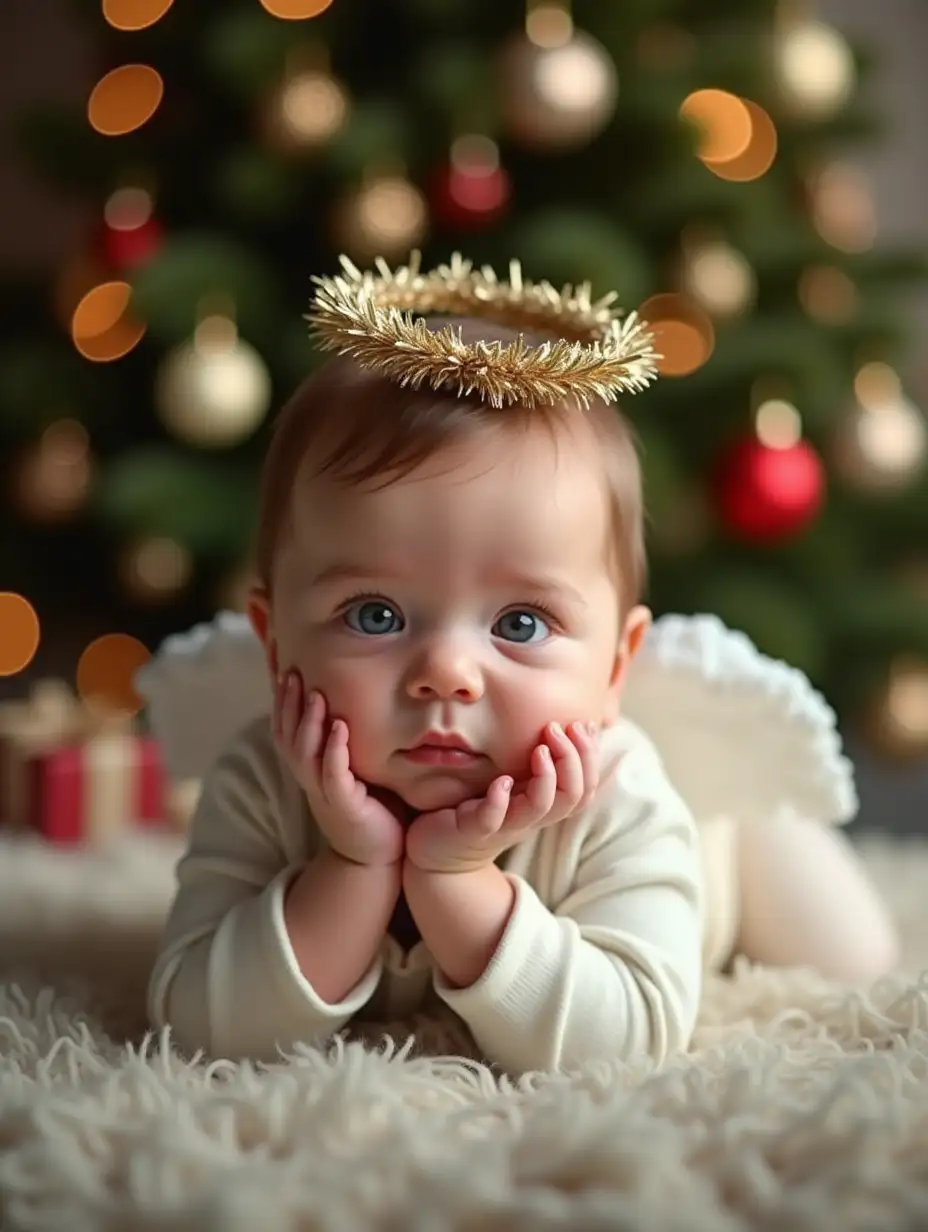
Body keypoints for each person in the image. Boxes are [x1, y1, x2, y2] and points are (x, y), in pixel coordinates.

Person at [148, 253, 898, 1072]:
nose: (447, 673)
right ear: (273, 641)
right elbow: (196, 1028)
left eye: (522, 622)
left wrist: (458, 881)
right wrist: (354, 864)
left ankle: (761, 833)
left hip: (724, 849)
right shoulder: (263, 777)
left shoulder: (620, 796)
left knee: (854, 961)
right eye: (375, 614)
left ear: (616, 667)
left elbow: (625, 1044)